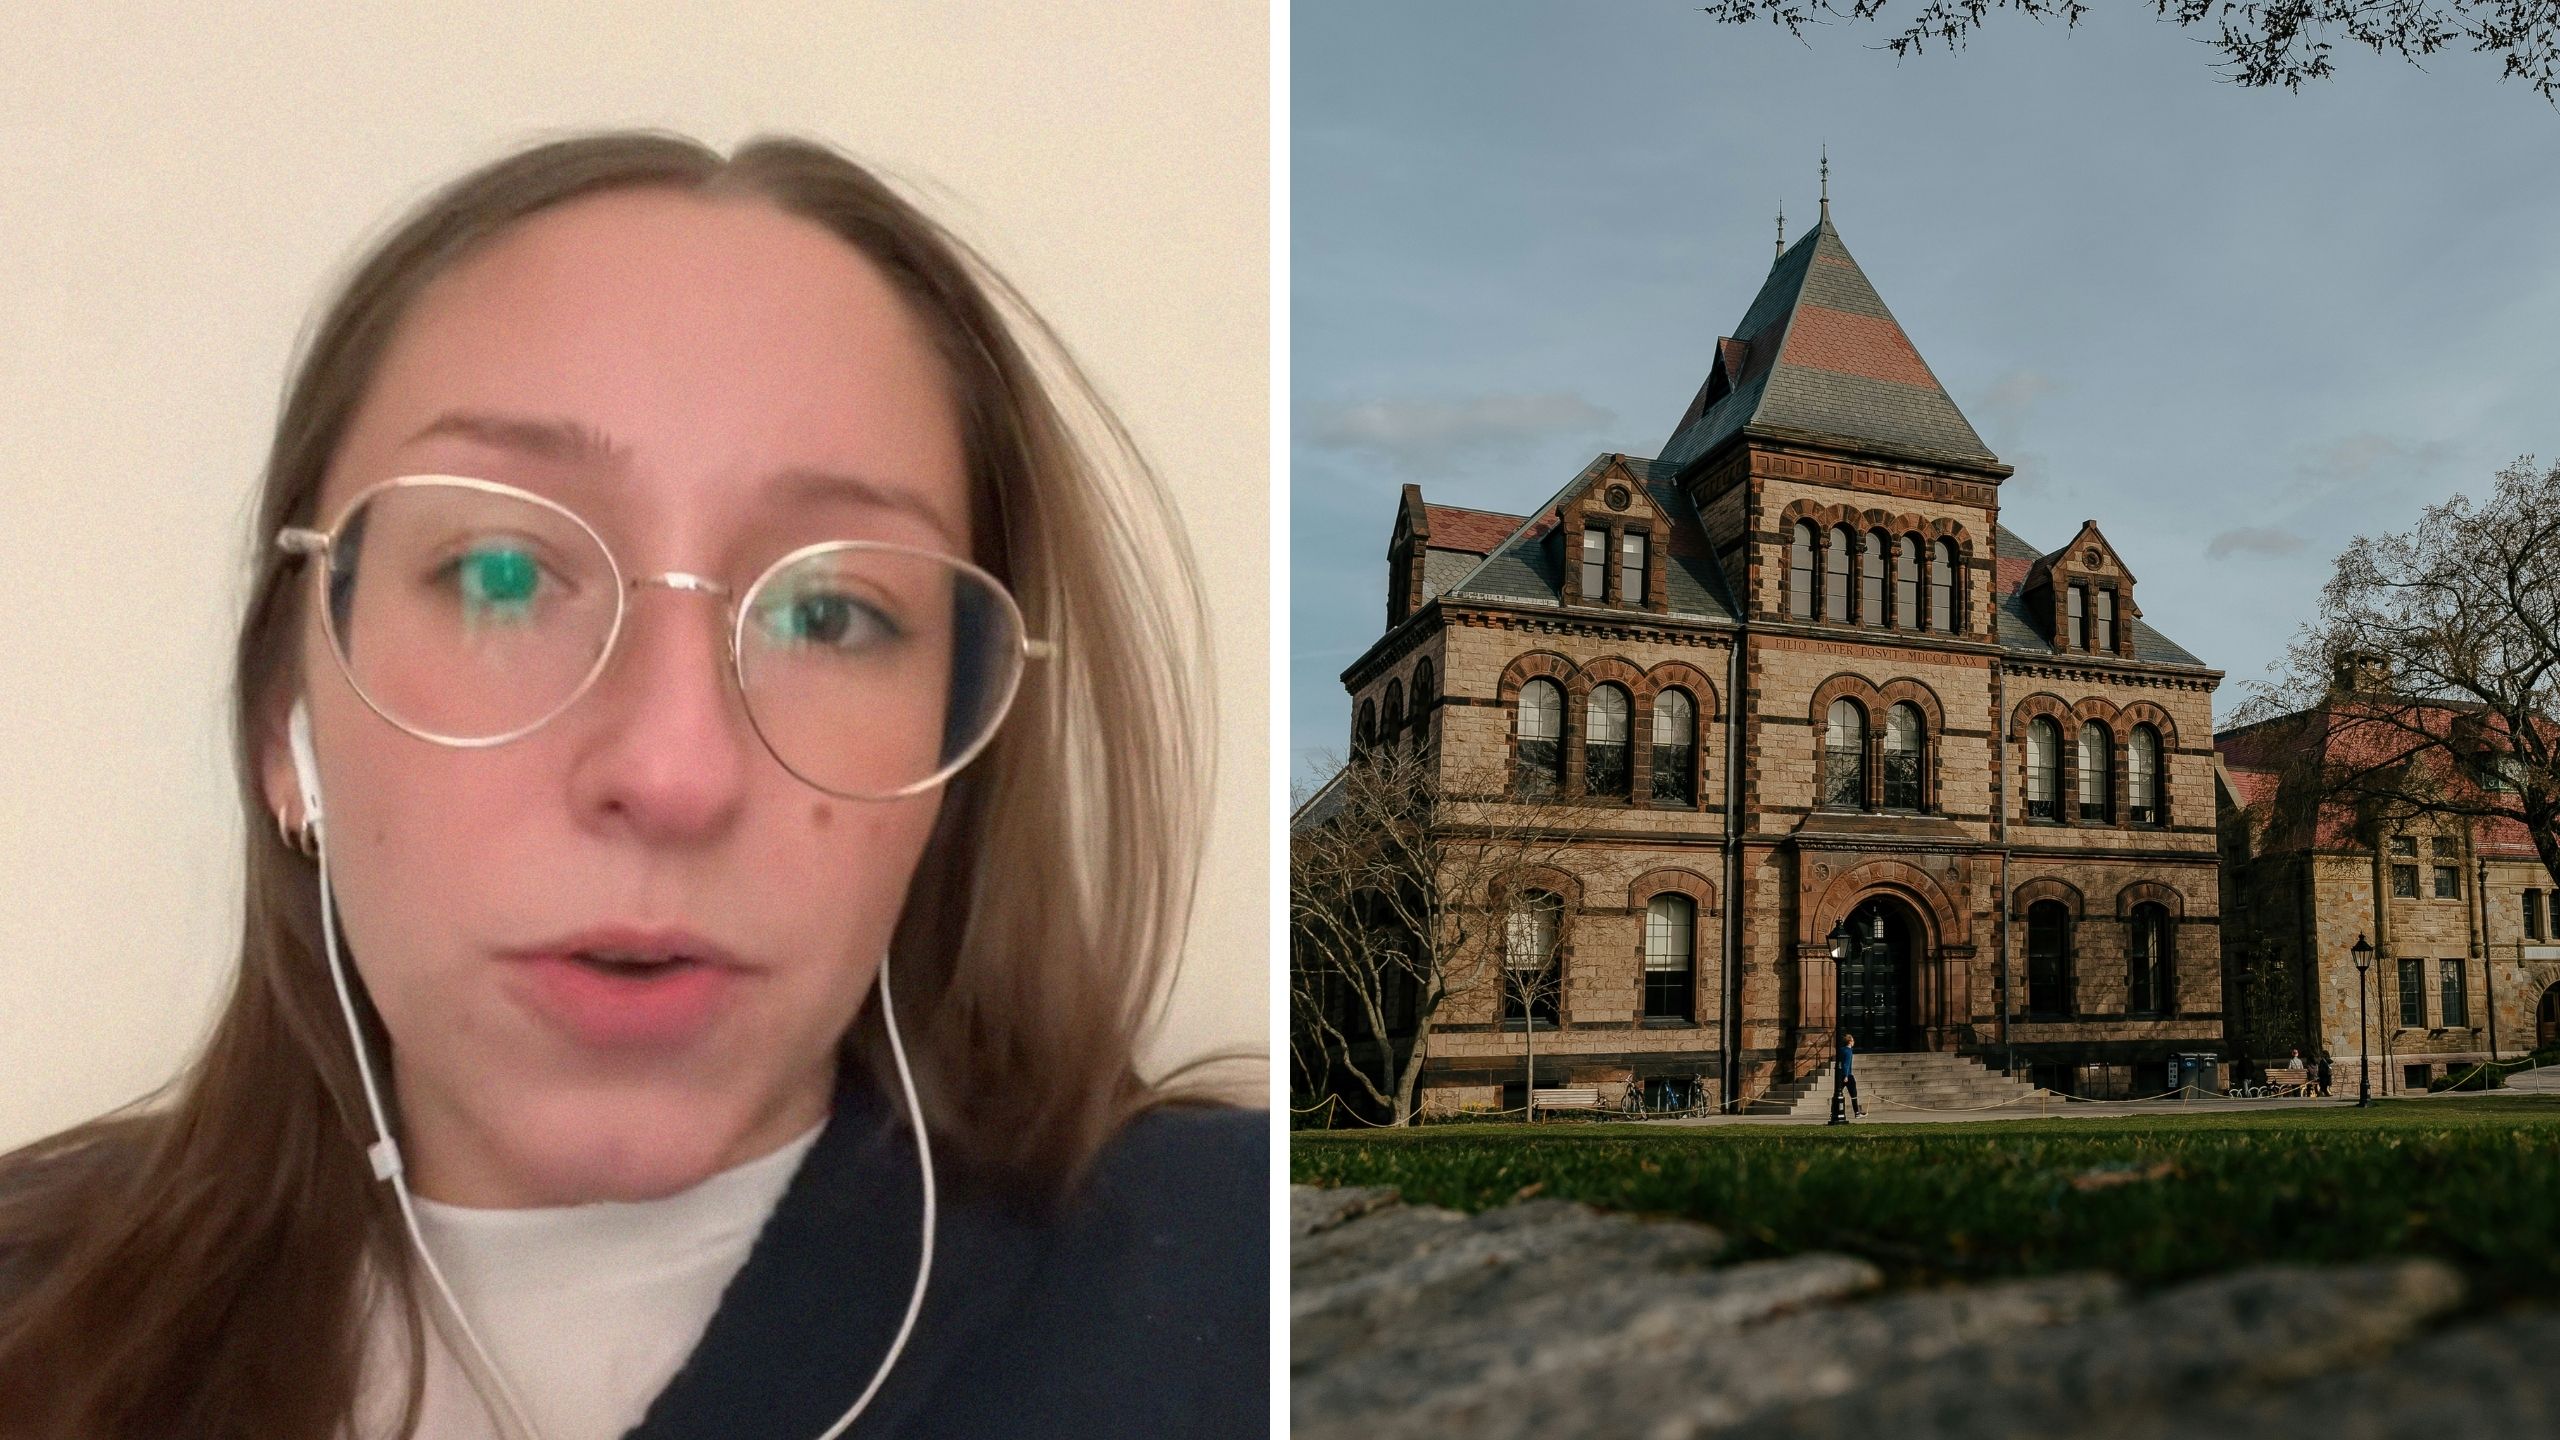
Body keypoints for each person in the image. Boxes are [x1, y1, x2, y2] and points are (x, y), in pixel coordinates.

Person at [0, 131, 1263, 1440]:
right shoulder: (31, 1321)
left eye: (828, 614)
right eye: (502, 574)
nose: (672, 772)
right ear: (285, 722)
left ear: (953, 760)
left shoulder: (1219, 1282)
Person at [1838, 1031, 1865, 1119]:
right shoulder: (1849, 1051)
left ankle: (1832, 1112)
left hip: (1840, 1075)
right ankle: (1857, 1113)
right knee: (1853, 1094)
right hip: (1847, 1075)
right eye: (1852, 1040)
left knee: (1838, 1094)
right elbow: (1846, 1064)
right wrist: (1846, 1075)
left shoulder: (1841, 1050)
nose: (1854, 1042)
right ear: (1849, 1042)